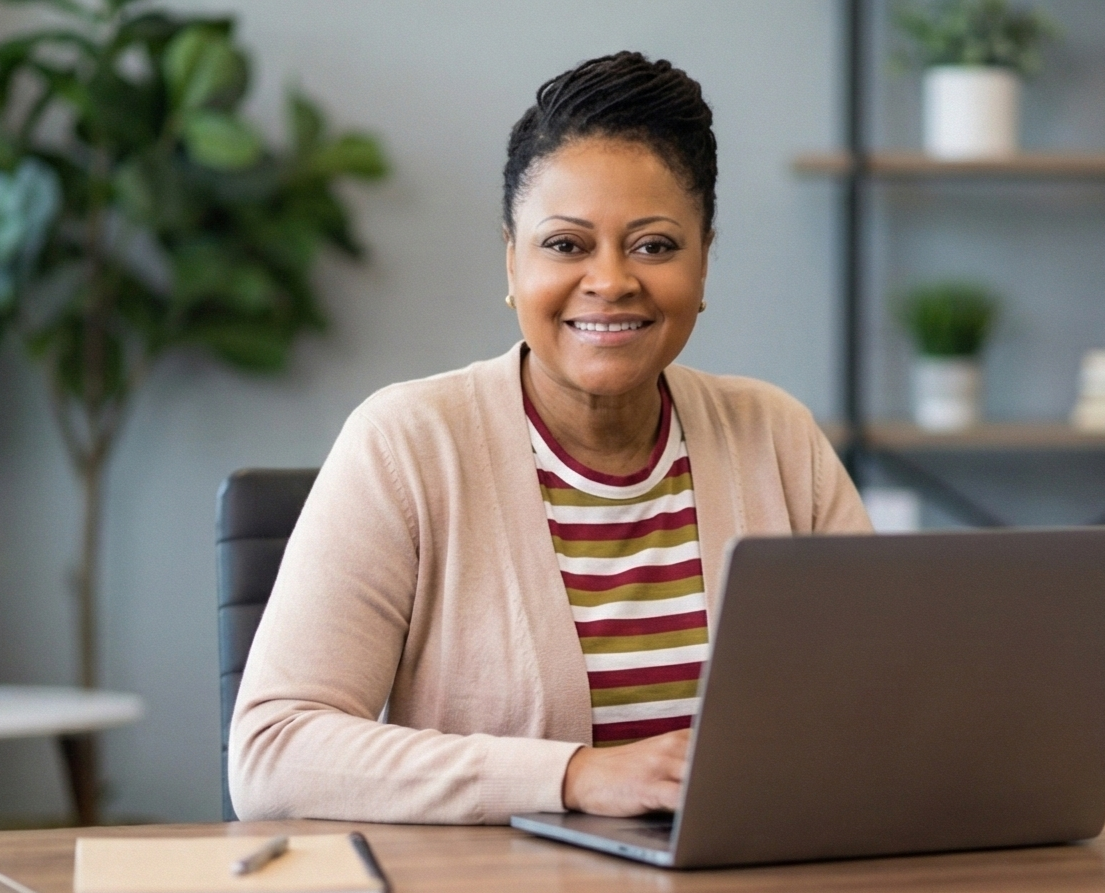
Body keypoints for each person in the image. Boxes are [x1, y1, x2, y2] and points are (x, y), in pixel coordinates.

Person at [229, 51, 871, 825]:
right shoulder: (405, 445)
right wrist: (571, 776)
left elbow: (881, 701)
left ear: (704, 263)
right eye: (566, 245)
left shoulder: (778, 437)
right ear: (512, 261)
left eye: (655, 245)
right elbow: (273, 752)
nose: (610, 281)